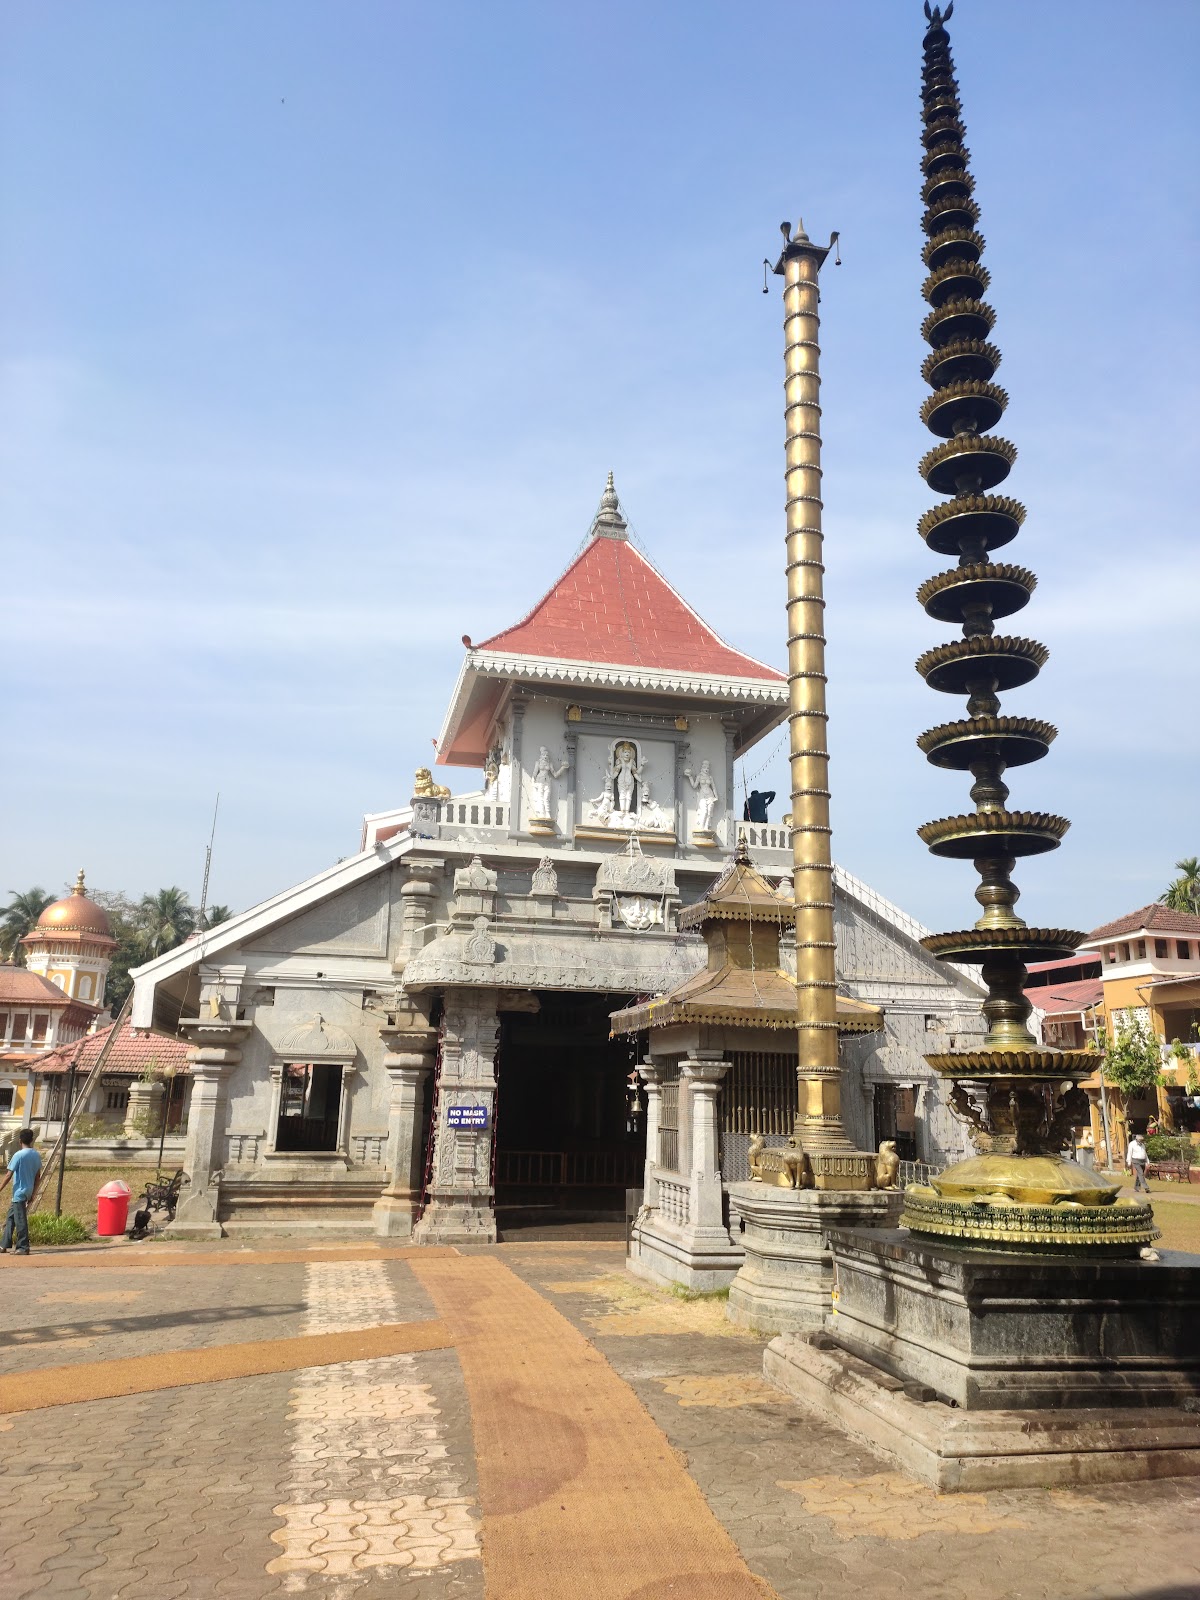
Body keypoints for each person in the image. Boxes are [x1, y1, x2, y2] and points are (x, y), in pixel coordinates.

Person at [1, 1129, 43, 1256]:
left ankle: (23, 1247)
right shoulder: (36, 1155)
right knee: (10, 1218)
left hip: (19, 1192)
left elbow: (9, 1174)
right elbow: (38, 1176)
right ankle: (4, 1244)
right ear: (31, 1140)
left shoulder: (18, 1155)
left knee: (20, 1220)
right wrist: (34, 1193)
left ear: (20, 1141)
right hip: (28, 1190)